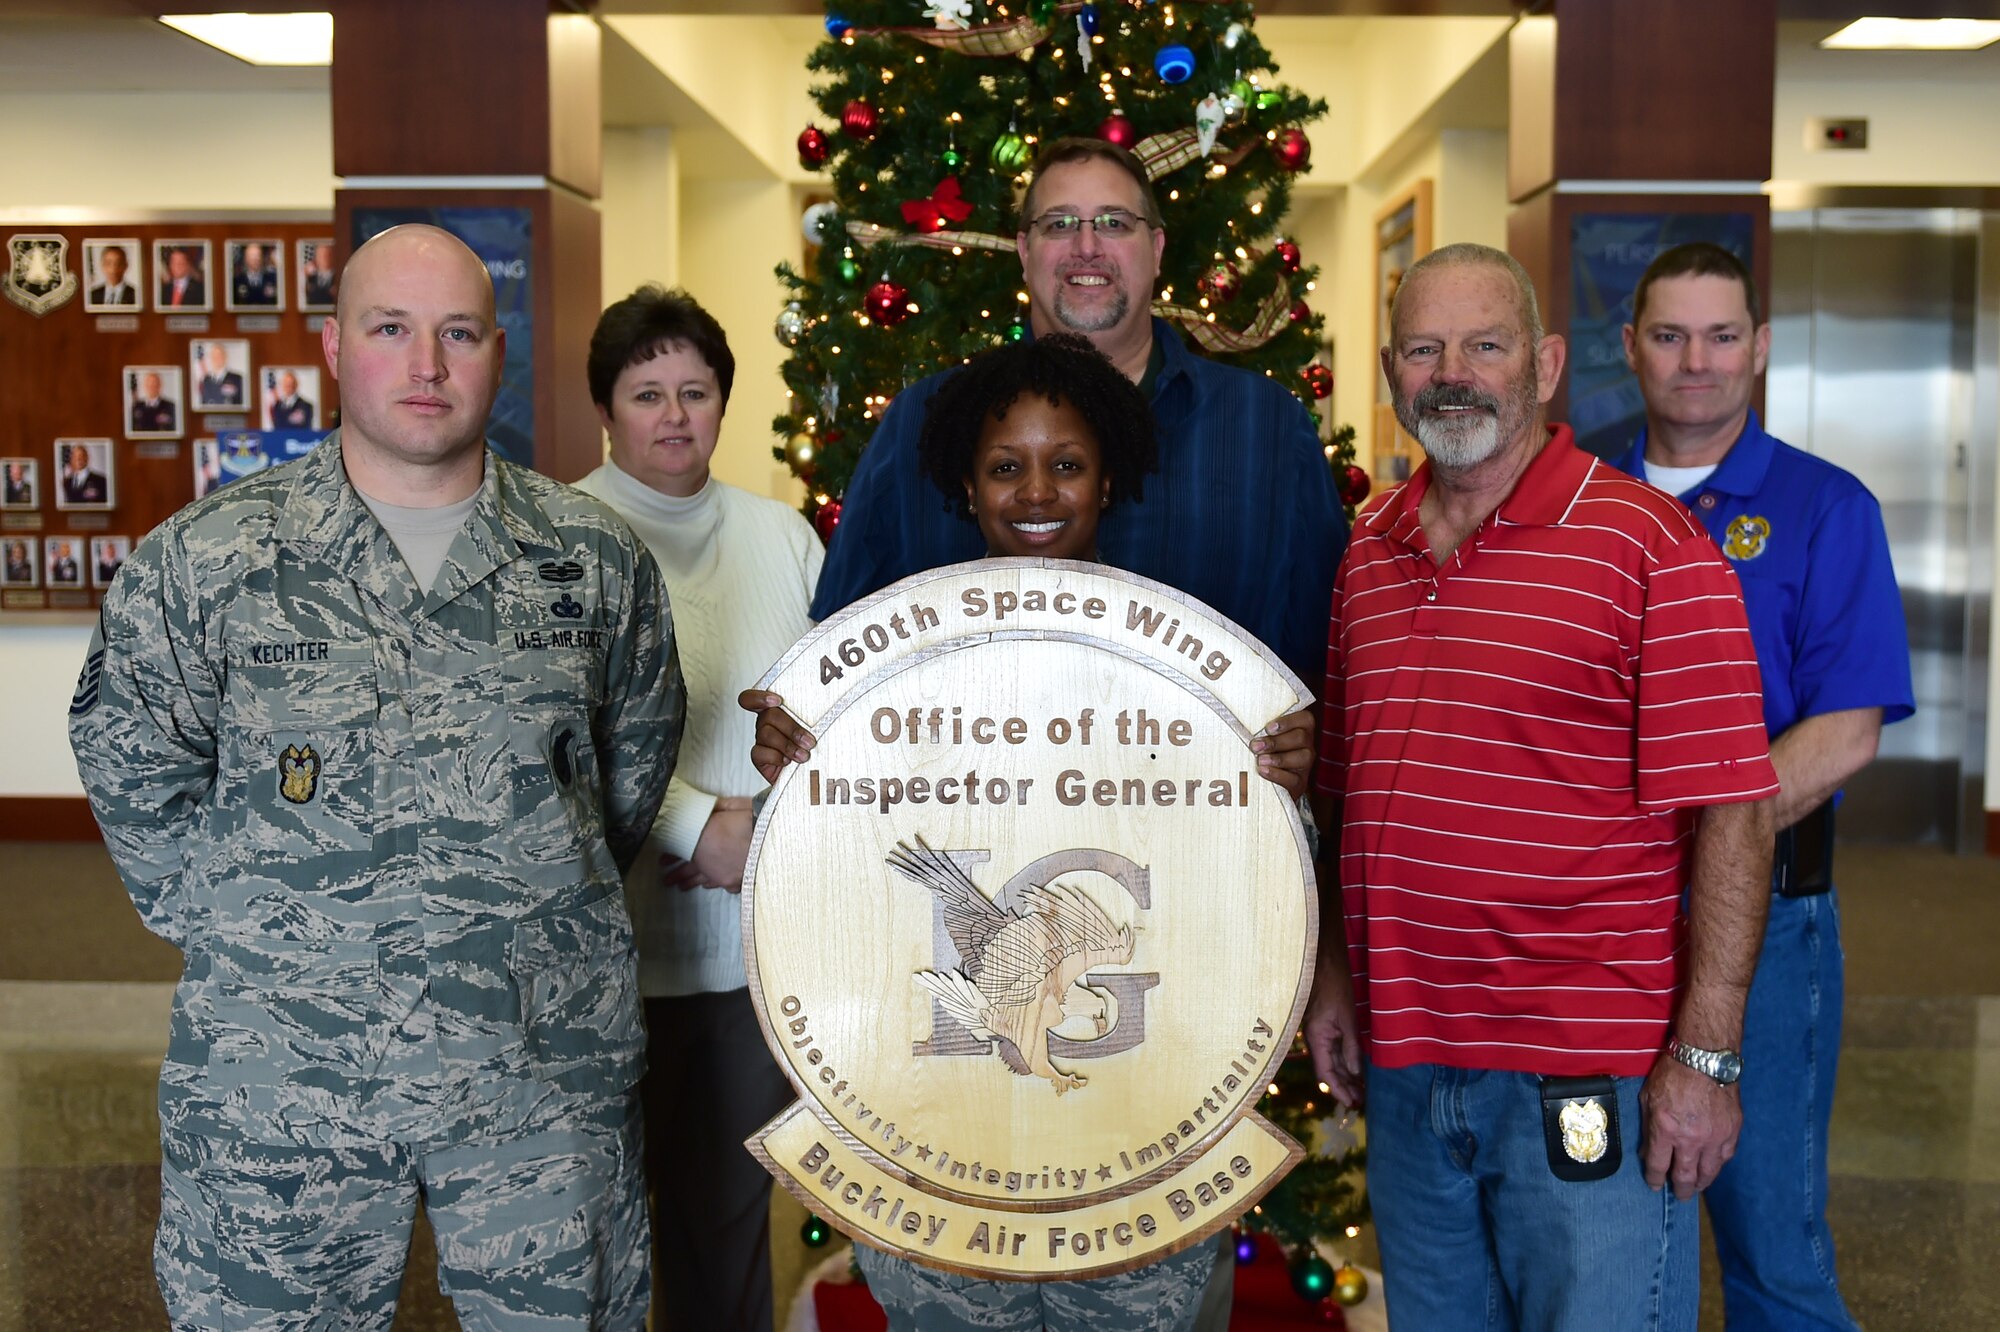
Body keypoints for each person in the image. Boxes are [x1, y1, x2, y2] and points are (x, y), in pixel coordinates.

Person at [69, 223, 685, 1332]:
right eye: (389, 329)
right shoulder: (207, 561)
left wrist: (522, 912)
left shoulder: (591, 561)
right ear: (332, 345)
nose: (426, 366)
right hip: (281, 1077)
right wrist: (264, 937)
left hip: (537, 1069)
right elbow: (133, 767)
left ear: (497, 352)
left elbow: (624, 778)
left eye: (457, 333)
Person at [742, 335, 1314, 1332]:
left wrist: (1281, 779)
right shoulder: (889, 677)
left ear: (1109, 478)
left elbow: (1248, 900)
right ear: (966, 484)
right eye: (1006, 466)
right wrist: (800, 755)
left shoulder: (1192, 681)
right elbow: (822, 884)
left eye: (1066, 463)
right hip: (931, 1144)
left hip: (1143, 1142)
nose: (1036, 490)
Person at [1304, 242, 1781, 1331]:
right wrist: (1334, 974)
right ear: (1390, 371)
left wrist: (1703, 1056)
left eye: (1484, 343)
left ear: (1547, 364)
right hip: (1409, 1065)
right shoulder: (1366, 549)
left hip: (1587, 1070)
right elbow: (1344, 795)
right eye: (1423, 349)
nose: (1452, 373)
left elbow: (1732, 812)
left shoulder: (1648, 549)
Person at [1612, 243, 1914, 1332]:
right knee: (1595, 1240)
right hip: (1591, 933)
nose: (1694, 362)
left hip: (1768, 925)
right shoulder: (1575, 488)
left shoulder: (1826, 508)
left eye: (1721, 335)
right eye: (1668, 335)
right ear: (1626, 347)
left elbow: (1843, 732)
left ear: (1760, 347)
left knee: (1770, 1247)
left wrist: (1691, 833)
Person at [811, 137, 1345, 692]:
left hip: (1202, 779)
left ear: (1157, 248)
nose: (1086, 246)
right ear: (1024, 251)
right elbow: (842, 649)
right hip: (968, 779)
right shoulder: (921, 423)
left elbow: (1324, 661)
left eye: (1115, 223)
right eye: (1059, 224)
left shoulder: (1269, 427)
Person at [570, 285, 823, 1332]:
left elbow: (830, 715)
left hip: (743, 958)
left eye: (694, 390)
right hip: (603, 957)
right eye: (645, 394)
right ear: (608, 411)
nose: (673, 415)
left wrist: (754, 833)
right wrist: (692, 825)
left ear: (723, 403)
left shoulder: (783, 537)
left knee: (724, 1241)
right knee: (599, 1242)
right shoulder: (558, 537)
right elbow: (555, 733)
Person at [197, 341, 246, 408]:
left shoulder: (237, 379)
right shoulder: (206, 380)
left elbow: (242, 404)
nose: (216, 359)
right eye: (213, 356)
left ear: (225, 357)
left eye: (218, 355)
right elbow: (203, 405)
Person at [233, 242, 279, 307]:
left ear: (262, 257)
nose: (255, 259)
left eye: (258, 255)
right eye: (252, 256)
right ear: (246, 259)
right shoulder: (237, 281)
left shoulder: (273, 279)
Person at [304, 241, 338, 306]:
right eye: (320, 255)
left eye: (328, 254)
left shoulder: (338, 277)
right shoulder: (309, 277)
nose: (323, 257)